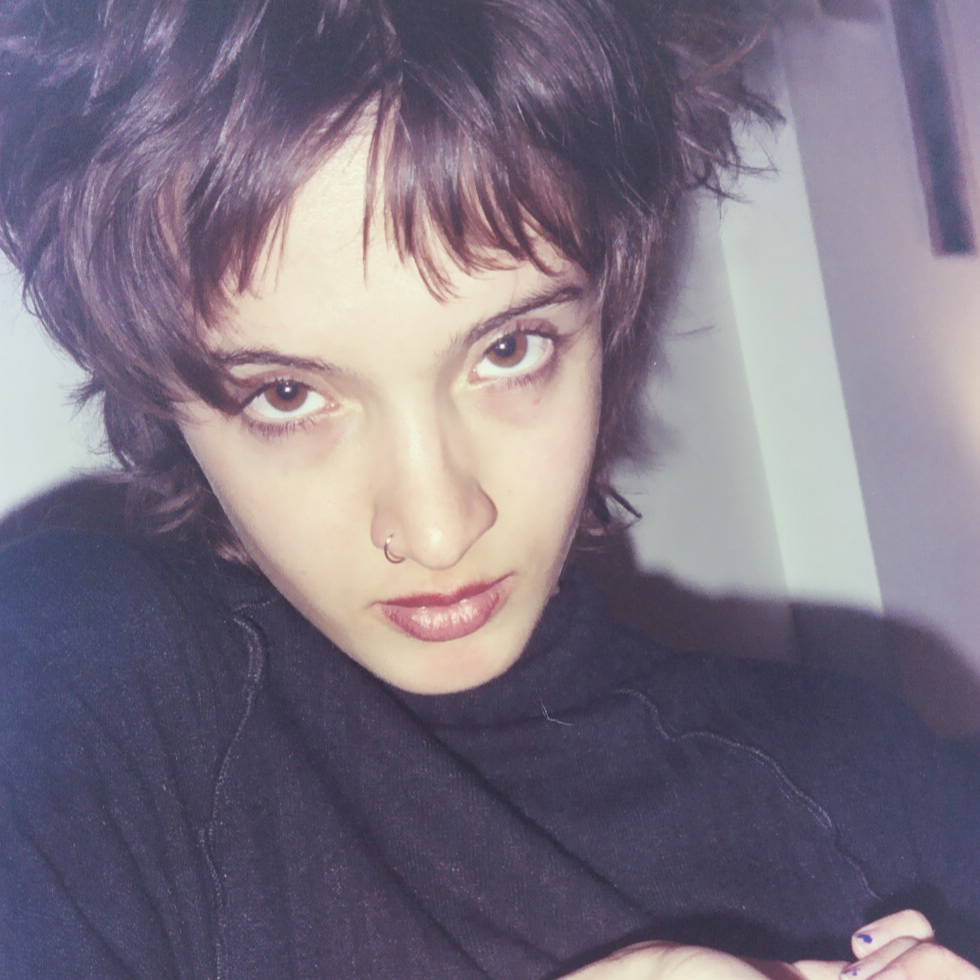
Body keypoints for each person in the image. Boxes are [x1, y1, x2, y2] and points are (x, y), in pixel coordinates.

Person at [0, 0, 977, 977]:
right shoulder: (71, 696)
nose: (437, 529)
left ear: (608, 307)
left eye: (509, 349)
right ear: (158, 387)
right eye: (287, 394)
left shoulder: (868, 787)